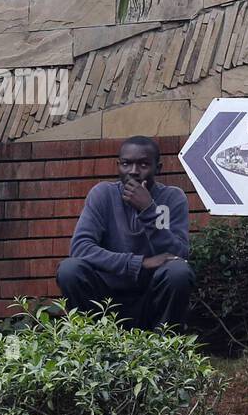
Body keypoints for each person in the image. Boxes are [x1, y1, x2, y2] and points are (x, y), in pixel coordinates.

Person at [56, 135, 193, 330]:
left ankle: (164, 346)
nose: (134, 172)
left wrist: (148, 211)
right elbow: (80, 248)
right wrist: (139, 263)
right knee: (70, 269)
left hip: (151, 296)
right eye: (127, 164)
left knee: (178, 272)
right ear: (118, 165)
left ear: (158, 168)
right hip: (105, 298)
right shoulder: (103, 194)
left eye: (144, 164)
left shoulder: (172, 198)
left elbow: (179, 254)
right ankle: (90, 340)